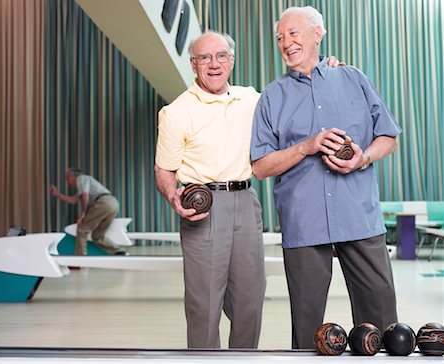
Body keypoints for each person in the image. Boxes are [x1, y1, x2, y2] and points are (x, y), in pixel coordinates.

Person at [250, 6, 401, 349]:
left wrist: (363, 158)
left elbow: (388, 138)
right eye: (280, 37)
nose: (286, 42)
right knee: (307, 331)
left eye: (293, 33)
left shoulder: (353, 78)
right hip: (304, 222)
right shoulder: (272, 96)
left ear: (317, 34)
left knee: (382, 321)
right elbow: (260, 167)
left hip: (359, 217)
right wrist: (305, 147)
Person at [154, 31, 266, 349]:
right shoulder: (176, 112)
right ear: (193, 64)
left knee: (250, 301)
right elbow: (164, 169)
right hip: (203, 207)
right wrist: (173, 195)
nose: (214, 64)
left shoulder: (251, 99)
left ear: (231, 60)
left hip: (246, 201)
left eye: (221, 56)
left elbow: (289, 103)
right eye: (204, 57)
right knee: (204, 306)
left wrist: (326, 69)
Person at [50, 168, 126, 256]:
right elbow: (73, 200)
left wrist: (83, 213)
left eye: (67, 179)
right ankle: (119, 250)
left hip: (103, 202)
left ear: (72, 176)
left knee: (82, 229)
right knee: (97, 236)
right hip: (113, 203)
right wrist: (56, 194)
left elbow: (85, 195)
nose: (68, 182)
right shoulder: (84, 183)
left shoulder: (81, 179)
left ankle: (80, 259)